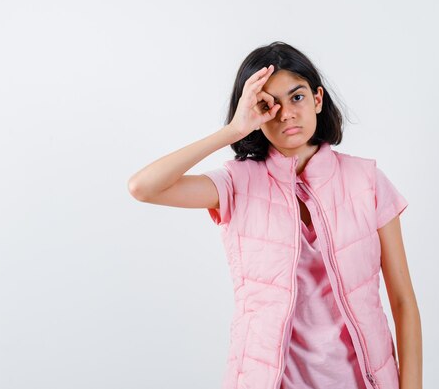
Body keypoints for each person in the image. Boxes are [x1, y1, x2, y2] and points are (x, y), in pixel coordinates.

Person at [128, 41, 422, 389]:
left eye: (296, 97)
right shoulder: (238, 183)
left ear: (317, 98)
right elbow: (144, 187)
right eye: (268, 104)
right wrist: (233, 131)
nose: (285, 114)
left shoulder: (366, 181)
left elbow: (403, 301)